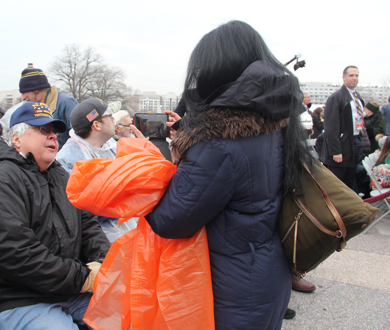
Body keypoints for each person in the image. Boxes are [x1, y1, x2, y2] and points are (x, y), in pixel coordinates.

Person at [145, 20, 316, 329]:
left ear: (217, 70)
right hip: (266, 269)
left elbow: (170, 220)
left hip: (233, 285)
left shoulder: (220, 141)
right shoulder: (274, 119)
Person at [0, 102, 110, 330]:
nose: (52, 136)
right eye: (42, 130)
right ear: (16, 139)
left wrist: (104, 263)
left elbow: (87, 225)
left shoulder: (59, 175)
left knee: (130, 316)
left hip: (64, 288)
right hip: (13, 297)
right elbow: (17, 255)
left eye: (54, 131)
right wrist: (84, 277)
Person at [56, 98, 129, 243]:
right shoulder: (69, 160)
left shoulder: (109, 145)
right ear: (96, 125)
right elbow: (81, 211)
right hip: (99, 242)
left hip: (124, 231)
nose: (113, 118)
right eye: (108, 116)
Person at [321, 66, 363, 191]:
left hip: (354, 143)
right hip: (341, 146)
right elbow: (331, 126)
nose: (354, 78)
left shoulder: (357, 97)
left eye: (356, 75)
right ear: (344, 77)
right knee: (338, 186)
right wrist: (335, 151)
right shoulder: (336, 97)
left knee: (349, 182)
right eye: (351, 75)